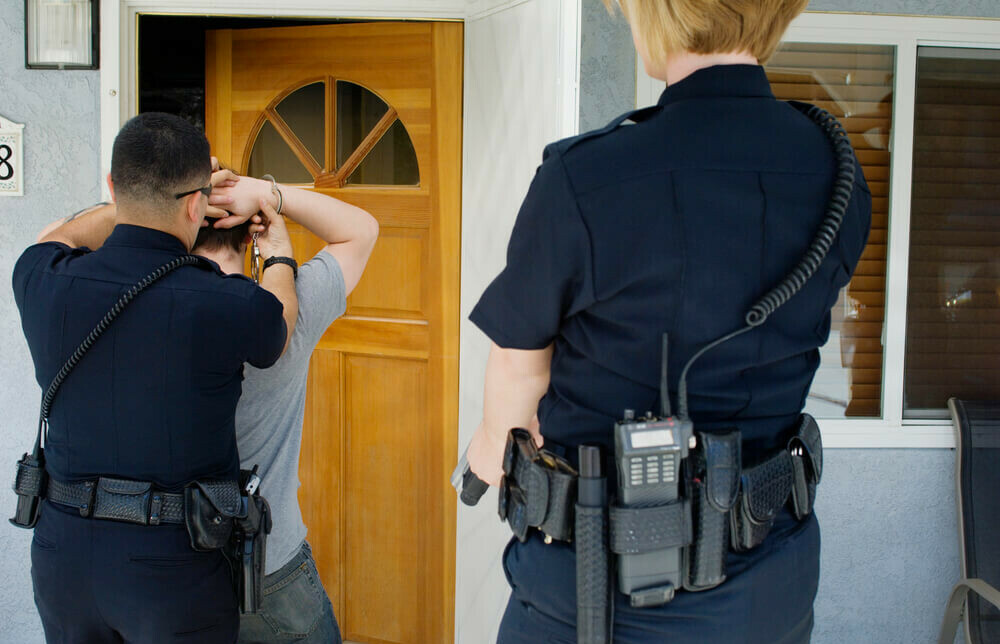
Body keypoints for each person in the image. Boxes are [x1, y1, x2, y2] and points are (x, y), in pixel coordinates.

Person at [464, 1, 872, 643]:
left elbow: (519, 365)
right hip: (771, 586)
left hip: (595, 596)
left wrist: (489, 450)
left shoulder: (584, 175)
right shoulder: (836, 170)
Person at [13, 112, 297, 644]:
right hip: (173, 570)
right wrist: (279, 256)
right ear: (197, 204)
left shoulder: (41, 280)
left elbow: (55, 236)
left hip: (64, 559)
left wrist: (127, 205)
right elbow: (278, 322)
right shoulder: (223, 302)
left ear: (113, 189)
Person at [193, 171, 378, 643]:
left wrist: (172, 198)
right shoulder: (283, 312)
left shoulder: (149, 310)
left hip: (175, 567)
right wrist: (268, 198)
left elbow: (52, 242)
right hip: (268, 563)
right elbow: (361, 230)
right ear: (249, 232)